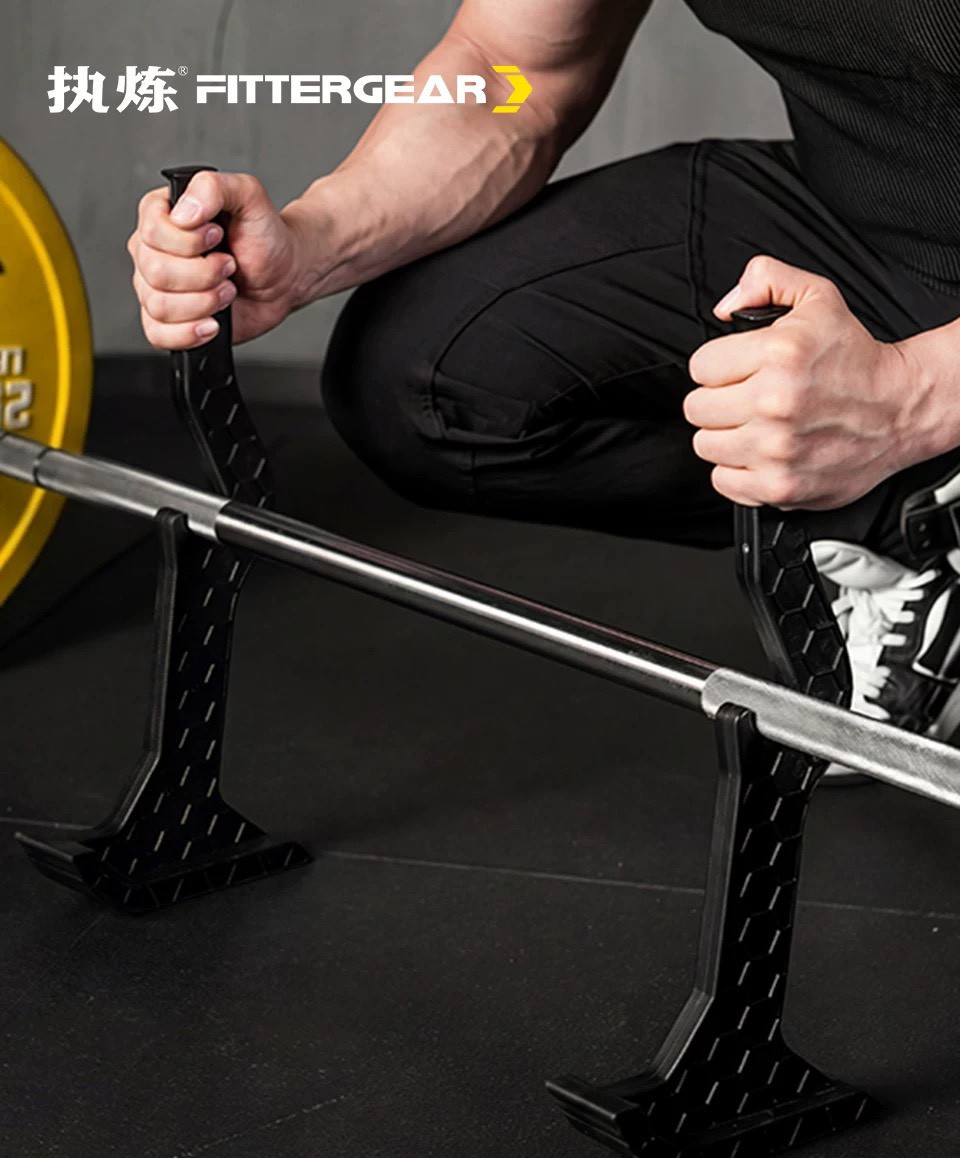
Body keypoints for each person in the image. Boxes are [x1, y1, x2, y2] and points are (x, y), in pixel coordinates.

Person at [128, 0, 960, 759]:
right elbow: (511, 70)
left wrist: (910, 399)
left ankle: (928, 465)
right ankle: (919, 528)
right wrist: (309, 247)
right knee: (423, 373)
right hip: (868, 214)